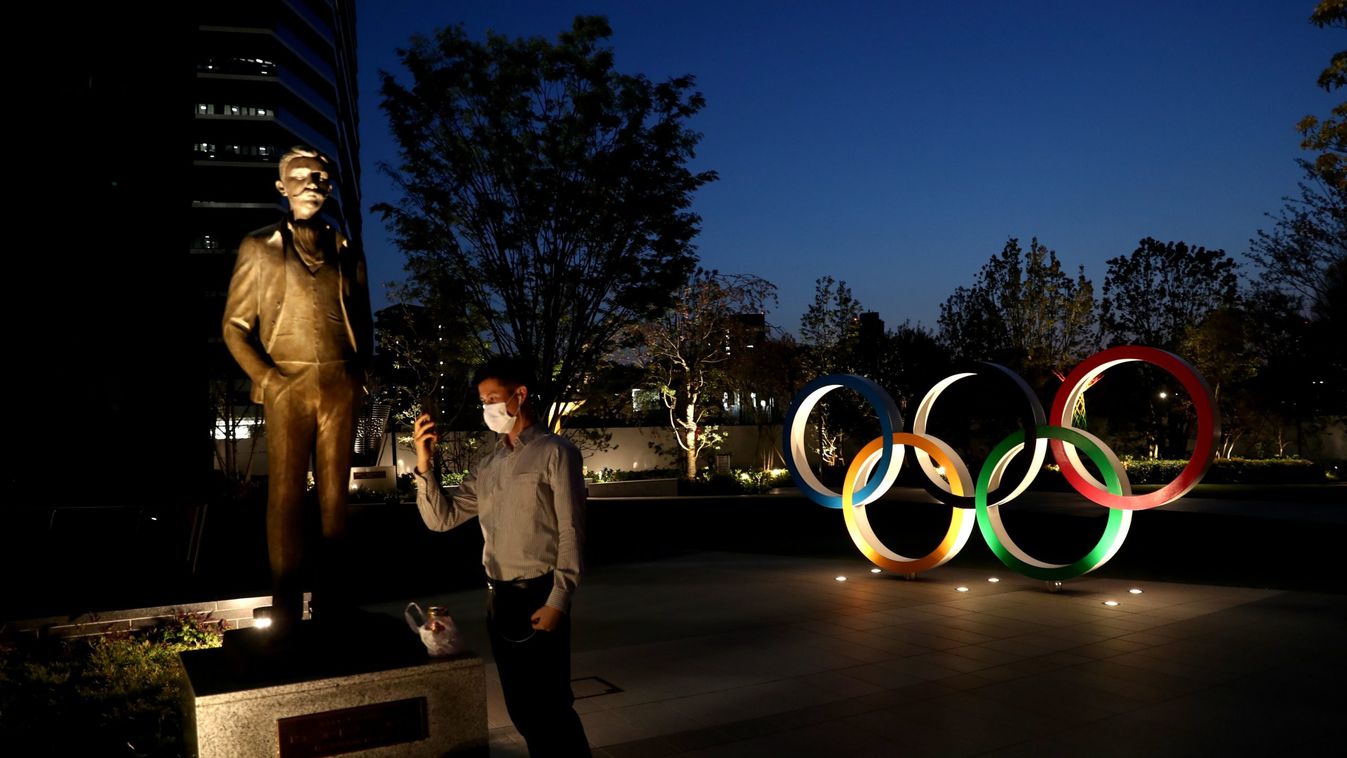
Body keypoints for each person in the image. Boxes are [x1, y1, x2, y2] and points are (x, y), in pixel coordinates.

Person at [221, 146, 372, 631]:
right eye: (301, 175)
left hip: (340, 383)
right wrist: (268, 379)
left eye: (321, 177)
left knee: (335, 500)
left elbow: (363, 321)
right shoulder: (258, 247)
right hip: (287, 381)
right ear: (281, 187)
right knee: (285, 496)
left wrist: (359, 374)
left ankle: (334, 600)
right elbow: (234, 327)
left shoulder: (347, 249)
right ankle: (285, 601)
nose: (312, 183)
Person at [412, 356, 590, 757]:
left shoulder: (556, 452)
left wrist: (559, 599)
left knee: (552, 708)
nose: (487, 408)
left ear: (519, 395)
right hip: (499, 599)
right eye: (483, 401)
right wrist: (424, 463)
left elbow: (571, 530)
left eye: (493, 398)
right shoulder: (488, 466)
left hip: (540, 594)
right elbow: (441, 519)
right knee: (522, 709)